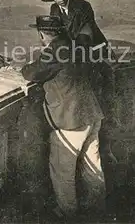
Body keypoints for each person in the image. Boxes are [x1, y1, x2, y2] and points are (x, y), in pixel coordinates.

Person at [21, 15, 106, 220]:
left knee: (62, 169)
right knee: (92, 164)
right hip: (92, 113)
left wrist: (24, 67)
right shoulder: (73, 46)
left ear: (42, 34)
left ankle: (67, 214)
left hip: (71, 120)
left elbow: (31, 73)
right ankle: (99, 209)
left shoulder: (54, 50)